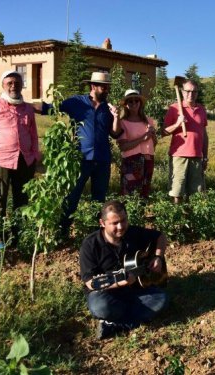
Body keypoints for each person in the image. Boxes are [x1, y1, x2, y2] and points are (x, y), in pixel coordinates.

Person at [80, 200, 168, 339]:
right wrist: (120, 283)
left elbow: (160, 237)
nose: (121, 226)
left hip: (136, 291)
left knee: (161, 299)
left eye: (123, 220)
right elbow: (91, 282)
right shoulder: (90, 244)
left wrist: (158, 257)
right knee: (100, 306)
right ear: (102, 223)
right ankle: (132, 317)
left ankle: (115, 325)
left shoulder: (133, 232)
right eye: (114, 223)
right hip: (107, 294)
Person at [0, 70, 40, 248]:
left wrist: (35, 155)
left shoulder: (28, 108)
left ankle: (18, 235)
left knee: (22, 200)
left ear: (22, 85)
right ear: (3, 85)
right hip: (1, 160)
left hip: (25, 160)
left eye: (17, 82)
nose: (14, 86)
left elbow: (34, 134)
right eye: (10, 83)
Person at [58, 72, 122, 235]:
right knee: (72, 196)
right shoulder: (76, 102)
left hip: (102, 160)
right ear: (93, 86)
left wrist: (116, 117)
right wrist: (25, 105)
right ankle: (62, 230)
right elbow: (51, 108)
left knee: (99, 198)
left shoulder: (108, 108)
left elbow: (115, 134)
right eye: (103, 86)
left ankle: (95, 233)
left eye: (108, 86)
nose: (106, 89)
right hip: (81, 158)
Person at [163, 79, 209, 204]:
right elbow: (164, 132)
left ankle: (192, 220)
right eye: (188, 91)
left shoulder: (201, 109)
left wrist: (205, 156)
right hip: (179, 156)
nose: (191, 94)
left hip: (197, 156)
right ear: (182, 92)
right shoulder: (174, 108)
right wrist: (178, 123)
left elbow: (204, 135)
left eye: (194, 91)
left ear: (197, 93)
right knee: (177, 191)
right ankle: (177, 220)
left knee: (197, 192)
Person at [115, 89, 157, 198]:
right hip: (131, 161)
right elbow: (123, 147)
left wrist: (152, 134)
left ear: (140, 103)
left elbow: (154, 144)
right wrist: (143, 138)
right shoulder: (122, 122)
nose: (134, 103)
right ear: (125, 105)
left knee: (144, 192)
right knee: (129, 193)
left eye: (136, 101)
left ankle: (141, 214)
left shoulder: (148, 120)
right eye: (130, 101)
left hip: (148, 159)